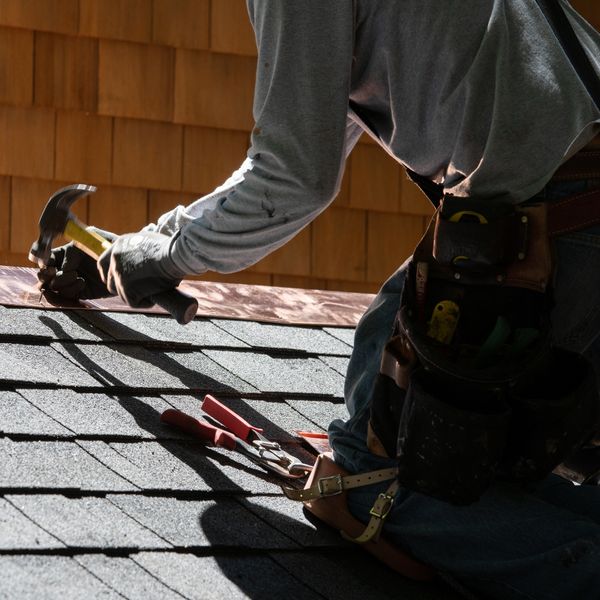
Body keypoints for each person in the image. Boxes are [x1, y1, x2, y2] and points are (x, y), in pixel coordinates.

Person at [39, 2, 600, 598]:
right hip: (562, 207)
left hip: (549, 225)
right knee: (516, 460)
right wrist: (151, 246)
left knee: (372, 471)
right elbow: (309, 147)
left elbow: (291, 176)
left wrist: (157, 256)